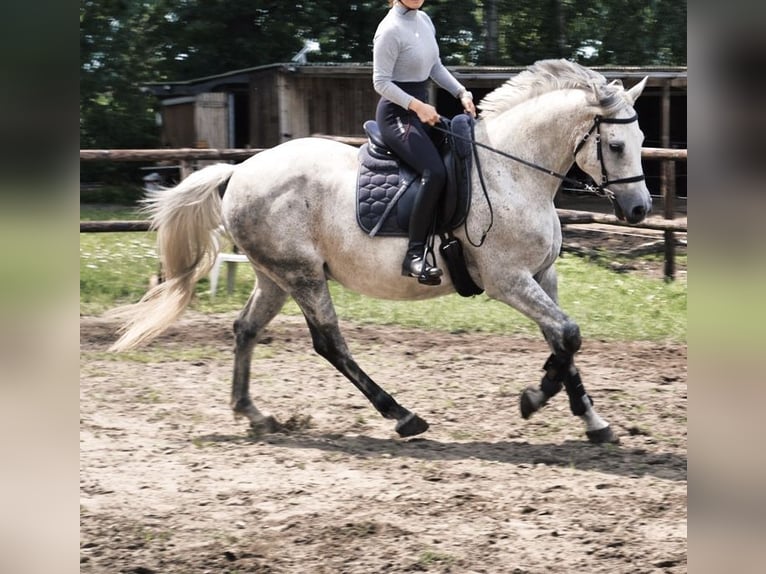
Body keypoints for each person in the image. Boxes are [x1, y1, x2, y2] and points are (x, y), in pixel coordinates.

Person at [373, 0, 476, 284]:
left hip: (421, 111)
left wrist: (461, 92)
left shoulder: (425, 21)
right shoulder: (389, 30)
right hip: (397, 114)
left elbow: (435, 67)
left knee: (460, 150)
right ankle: (414, 255)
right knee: (435, 172)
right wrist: (417, 107)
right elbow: (380, 83)